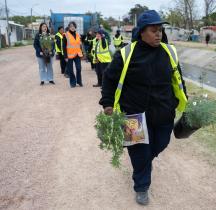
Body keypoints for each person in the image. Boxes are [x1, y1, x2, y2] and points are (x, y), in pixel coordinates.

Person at [99, 10, 187, 206]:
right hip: (133, 115)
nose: (158, 34)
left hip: (164, 111)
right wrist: (107, 103)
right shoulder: (126, 53)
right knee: (139, 152)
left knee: (161, 144)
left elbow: (178, 79)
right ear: (141, 32)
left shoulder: (169, 51)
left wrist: (183, 101)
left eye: (160, 30)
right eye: (154, 30)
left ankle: (143, 164)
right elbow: (109, 78)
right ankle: (141, 186)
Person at [63, 21, 84, 88]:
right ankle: (73, 82)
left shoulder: (78, 35)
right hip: (69, 55)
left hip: (77, 54)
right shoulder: (66, 35)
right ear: (69, 27)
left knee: (79, 68)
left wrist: (82, 53)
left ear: (75, 27)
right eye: (71, 26)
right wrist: (65, 56)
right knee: (70, 70)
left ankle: (79, 81)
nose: (72, 27)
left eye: (73, 26)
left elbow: (80, 45)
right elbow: (64, 46)